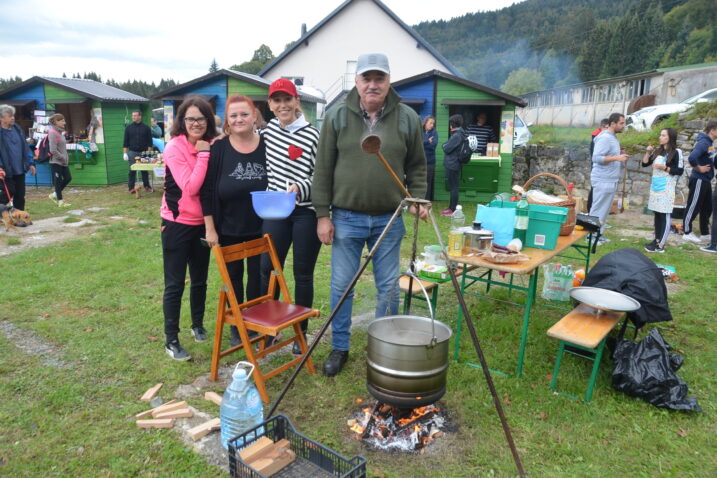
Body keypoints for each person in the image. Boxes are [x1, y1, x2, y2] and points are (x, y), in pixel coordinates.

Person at [313, 53, 427, 377]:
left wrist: (417, 199)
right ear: (357, 82)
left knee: (389, 286)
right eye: (367, 79)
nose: (373, 85)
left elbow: (417, 166)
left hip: (389, 218)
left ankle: (384, 347)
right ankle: (340, 347)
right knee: (341, 285)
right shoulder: (336, 117)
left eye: (380, 79)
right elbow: (322, 170)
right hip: (346, 217)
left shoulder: (407, 118)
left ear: (389, 81)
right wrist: (323, 214)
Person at [259, 79, 322, 354]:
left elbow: (321, 175)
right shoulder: (268, 131)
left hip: (304, 211)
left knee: (302, 274)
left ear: (297, 101)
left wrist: (301, 187)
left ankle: (301, 334)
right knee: (268, 267)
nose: (282, 105)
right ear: (270, 105)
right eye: (277, 100)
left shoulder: (312, 135)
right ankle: (269, 328)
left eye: (288, 99)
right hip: (275, 208)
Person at [201, 95, 268, 346]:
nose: (239, 119)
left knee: (259, 279)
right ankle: (237, 326)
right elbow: (207, 190)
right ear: (227, 121)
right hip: (227, 228)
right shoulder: (218, 148)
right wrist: (210, 228)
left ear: (254, 117)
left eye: (244, 114)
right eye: (233, 115)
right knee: (233, 279)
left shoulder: (268, 145)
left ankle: (257, 324)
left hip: (262, 228)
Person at [160, 96, 216, 361]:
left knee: (201, 279)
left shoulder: (214, 144)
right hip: (176, 224)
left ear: (208, 120)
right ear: (182, 121)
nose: (196, 123)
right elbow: (191, 187)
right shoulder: (174, 147)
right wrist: (204, 153)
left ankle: (197, 324)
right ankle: (171, 340)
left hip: (203, 224)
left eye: (201, 118)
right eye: (191, 118)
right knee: (175, 284)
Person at [641, 128, 684, 253]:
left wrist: (663, 167)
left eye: (663, 135)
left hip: (666, 188)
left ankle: (661, 245)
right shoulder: (658, 151)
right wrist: (648, 152)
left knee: (664, 215)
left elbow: (679, 171)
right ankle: (657, 239)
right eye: (660, 135)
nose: (660, 137)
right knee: (657, 215)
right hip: (656, 188)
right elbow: (644, 164)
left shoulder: (676, 152)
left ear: (670, 137)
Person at [588, 112, 629, 242]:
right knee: (598, 208)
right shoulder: (605, 137)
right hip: (602, 179)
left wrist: (619, 153)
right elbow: (596, 158)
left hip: (610, 179)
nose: (624, 126)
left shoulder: (613, 137)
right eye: (621, 123)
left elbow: (607, 154)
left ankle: (599, 234)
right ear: (613, 124)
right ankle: (591, 236)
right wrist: (617, 157)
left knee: (604, 210)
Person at [682, 120, 717, 244]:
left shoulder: (710, 144)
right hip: (699, 179)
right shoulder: (703, 143)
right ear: (712, 130)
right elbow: (692, 157)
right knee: (694, 205)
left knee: (707, 207)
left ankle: (705, 233)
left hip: (706, 180)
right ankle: (686, 232)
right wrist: (699, 168)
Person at [0, 104, 36, 214]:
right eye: (9, 116)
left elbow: (25, 148)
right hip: (5, 170)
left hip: (20, 168)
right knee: (6, 195)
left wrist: (31, 163)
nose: (12, 118)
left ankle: (19, 217)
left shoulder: (17, 129)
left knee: (20, 195)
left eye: (13, 115)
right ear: (1, 118)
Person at [123, 110, 154, 193]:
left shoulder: (146, 128)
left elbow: (150, 142)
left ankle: (147, 186)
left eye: (135, 115)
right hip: (132, 152)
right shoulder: (128, 128)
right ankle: (131, 188)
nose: (133, 117)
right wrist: (125, 153)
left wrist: (148, 153)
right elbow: (125, 142)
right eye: (133, 116)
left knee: (144, 170)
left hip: (143, 152)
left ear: (140, 116)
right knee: (132, 170)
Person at [440, 114, 465, 217]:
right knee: (453, 187)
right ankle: (450, 207)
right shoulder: (459, 133)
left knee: (454, 187)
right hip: (454, 163)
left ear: (453, 124)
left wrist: (444, 145)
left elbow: (446, 148)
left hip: (453, 164)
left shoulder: (457, 135)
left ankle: (453, 209)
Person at [46, 114, 72, 207]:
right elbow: (52, 149)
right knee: (57, 181)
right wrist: (61, 157)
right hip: (56, 162)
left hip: (63, 162)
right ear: (56, 122)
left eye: (64, 120)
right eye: (62, 121)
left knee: (68, 178)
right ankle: (60, 201)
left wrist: (65, 158)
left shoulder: (61, 132)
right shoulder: (52, 132)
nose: (64, 122)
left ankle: (54, 195)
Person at [587, 118, 610, 212]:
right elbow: (596, 155)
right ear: (603, 127)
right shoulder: (598, 136)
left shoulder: (601, 136)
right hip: (598, 167)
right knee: (595, 190)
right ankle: (590, 210)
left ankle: (592, 210)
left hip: (599, 166)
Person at [422, 115, 438, 201]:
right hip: (419, 161)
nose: (432, 125)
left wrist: (424, 144)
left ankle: (426, 201)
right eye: (430, 123)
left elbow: (433, 146)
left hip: (430, 162)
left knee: (428, 182)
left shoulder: (434, 133)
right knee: (419, 181)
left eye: (433, 123)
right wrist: (427, 141)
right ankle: (418, 200)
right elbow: (417, 144)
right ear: (425, 123)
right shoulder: (419, 132)